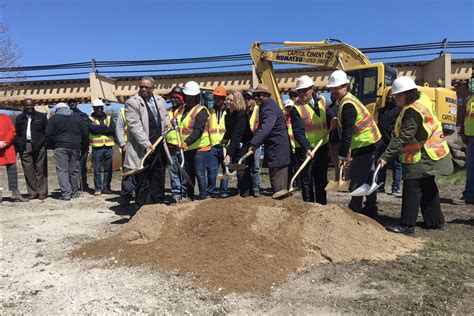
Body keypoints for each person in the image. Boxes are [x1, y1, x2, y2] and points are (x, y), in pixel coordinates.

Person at [379, 76, 453, 236]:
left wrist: (386, 156)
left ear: (408, 94)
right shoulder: (422, 99)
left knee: (412, 187)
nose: (395, 98)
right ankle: (435, 221)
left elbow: (405, 136)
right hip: (434, 151)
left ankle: (407, 225)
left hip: (423, 154)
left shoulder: (412, 111)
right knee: (427, 185)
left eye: (398, 95)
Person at [328, 70, 381, 218]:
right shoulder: (346, 101)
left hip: (366, 143)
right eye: (332, 89)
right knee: (369, 177)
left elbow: (347, 132)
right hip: (370, 142)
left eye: (336, 88)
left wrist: (343, 155)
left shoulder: (348, 104)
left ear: (345, 86)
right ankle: (371, 208)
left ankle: (354, 209)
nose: (333, 91)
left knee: (357, 177)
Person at [124, 76, 172, 208]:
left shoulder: (160, 100)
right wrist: (146, 143)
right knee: (143, 178)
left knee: (158, 175)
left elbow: (165, 116)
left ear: (153, 88)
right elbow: (135, 125)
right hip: (143, 147)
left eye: (146, 87)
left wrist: (168, 124)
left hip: (159, 144)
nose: (143, 89)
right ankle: (142, 208)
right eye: (141, 86)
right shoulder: (132, 102)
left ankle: (157, 205)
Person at [291, 75, 336, 205]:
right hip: (306, 150)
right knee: (307, 180)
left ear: (312, 89)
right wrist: (307, 148)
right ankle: (309, 207)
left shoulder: (322, 100)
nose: (302, 93)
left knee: (321, 178)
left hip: (322, 146)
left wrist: (333, 119)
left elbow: (329, 113)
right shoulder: (296, 108)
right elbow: (298, 133)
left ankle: (322, 206)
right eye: (300, 91)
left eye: (305, 90)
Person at [249, 84, 290, 194]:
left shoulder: (269, 108)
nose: (256, 98)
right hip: (276, 149)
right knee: (276, 182)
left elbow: (266, 128)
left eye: (259, 95)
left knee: (278, 186)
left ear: (266, 95)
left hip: (277, 151)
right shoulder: (267, 106)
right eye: (255, 95)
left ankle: (281, 206)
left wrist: (254, 143)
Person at [45, 102, 88, 200]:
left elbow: (48, 134)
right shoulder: (78, 118)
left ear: (57, 109)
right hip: (75, 146)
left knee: (62, 171)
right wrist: (84, 147)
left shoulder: (53, 119)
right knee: (74, 170)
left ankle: (66, 194)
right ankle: (75, 192)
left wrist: (52, 145)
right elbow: (85, 133)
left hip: (60, 146)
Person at [178, 81, 212, 200]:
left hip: (199, 148)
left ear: (197, 97)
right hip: (186, 148)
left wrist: (186, 142)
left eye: (192, 97)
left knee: (199, 174)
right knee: (189, 174)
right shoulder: (182, 110)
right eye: (188, 97)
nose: (190, 99)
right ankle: (189, 196)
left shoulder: (201, 110)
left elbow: (198, 130)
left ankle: (203, 197)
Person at [15, 98, 48, 200]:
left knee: (40, 169)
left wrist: (44, 144)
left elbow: (46, 131)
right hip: (25, 146)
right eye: (27, 105)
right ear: (23, 106)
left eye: (31, 105)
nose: (29, 107)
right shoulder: (19, 118)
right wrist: (19, 145)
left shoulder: (41, 116)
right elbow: (16, 133)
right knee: (28, 170)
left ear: (34, 105)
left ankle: (42, 192)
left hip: (39, 145)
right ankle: (32, 192)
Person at [222, 90, 254, 197]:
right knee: (237, 170)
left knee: (242, 170)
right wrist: (224, 140)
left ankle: (246, 194)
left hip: (245, 145)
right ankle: (241, 191)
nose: (228, 102)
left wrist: (229, 154)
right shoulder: (228, 115)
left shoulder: (241, 115)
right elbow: (230, 131)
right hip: (237, 145)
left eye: (231, 100)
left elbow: (237, 135)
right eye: (227, 99)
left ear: (237, 101)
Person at [86, 99, 116, 196]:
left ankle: (106, 187)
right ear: (93, 109)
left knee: (108, 169)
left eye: (100, 108)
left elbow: (112, 130)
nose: (99, 109)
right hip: (97, 148)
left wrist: (99, 129)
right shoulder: (89, 119)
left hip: (108, 147)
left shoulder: (109, 118)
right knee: (97, 170)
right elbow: (92, 130)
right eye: (97, 108)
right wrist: (105, 128)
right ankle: (98, 188)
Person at [376, 92, 402, 197]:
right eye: (388, 97)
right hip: (382, 141)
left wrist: (395, 139)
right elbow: (380, 125)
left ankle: (395, 187)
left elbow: (398, 126)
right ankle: (381, 185)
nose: (389, 99)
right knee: (381, 164)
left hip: (393, 141)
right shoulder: (382, 111)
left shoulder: (399, 110)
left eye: (391, 97)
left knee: (397, 165)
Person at [0, 114, 28, 203]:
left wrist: (5, 142)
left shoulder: (5, 117)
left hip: (7, 147)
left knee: (12, 169)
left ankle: (15, 193)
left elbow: (12, 131)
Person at [207, 86, 230, 198]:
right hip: (213, 146)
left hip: (225, 146)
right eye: (215, 97)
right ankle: (210, 190)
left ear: (224, 98)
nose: (217, 99)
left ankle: (224, 190)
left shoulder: (229, 112)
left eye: (219, 97)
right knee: (212, 171)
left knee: (225, 169)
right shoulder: (210, 112)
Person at [166, 86, 187, 203]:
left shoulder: (185, 111)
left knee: (183, 170)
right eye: (172, 98)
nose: (173, 100)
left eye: (176, 98)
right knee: (173, 171)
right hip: (170, 147)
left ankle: (184, 191)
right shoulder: (167, 112)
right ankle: (176, 193)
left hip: (183, 146)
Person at [452, 93, 474, 205]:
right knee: (470, 168)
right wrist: (462, 133)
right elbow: (465, 116)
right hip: (470, 137)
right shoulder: (470, 98)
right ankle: (469, 195)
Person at [68, 98, 90, 192]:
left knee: (82, 166)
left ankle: (83, 185)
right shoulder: (65, 115)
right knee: (71, 166)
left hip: (82, 144)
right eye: (70, 102)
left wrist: (86, 143)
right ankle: (72, 186)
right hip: (70, 144)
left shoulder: (83, 115)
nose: (72, 104)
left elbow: (87, 129)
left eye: (74, 102)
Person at [116, 104, 136, 205]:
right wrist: (123, 144)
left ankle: (138, 193)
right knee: (127, 172)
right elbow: (119, 128)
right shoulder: (123, 112)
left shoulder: (142, 109)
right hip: (127, 146)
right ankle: (126, 196)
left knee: (140, 171)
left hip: (140, 146)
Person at [243, 88, 262, 197]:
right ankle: (246, 188)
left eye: (249, 98)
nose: (247, 100)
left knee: (255, 166)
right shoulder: (242, 112)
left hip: (255, 142)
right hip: (245, 142)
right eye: (245, 98)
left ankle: (255, 188)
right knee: (245, 166)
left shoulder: (258, 110)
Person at [283, 98, 300, 190]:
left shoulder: (296, 117)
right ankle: (289, 184)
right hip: (288, 147)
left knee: (297, 166)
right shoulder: (283, 119)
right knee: (289, 167)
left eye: (290, 107)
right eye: (287, 107)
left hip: (296, 145)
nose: (289, 109)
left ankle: (298, 185)